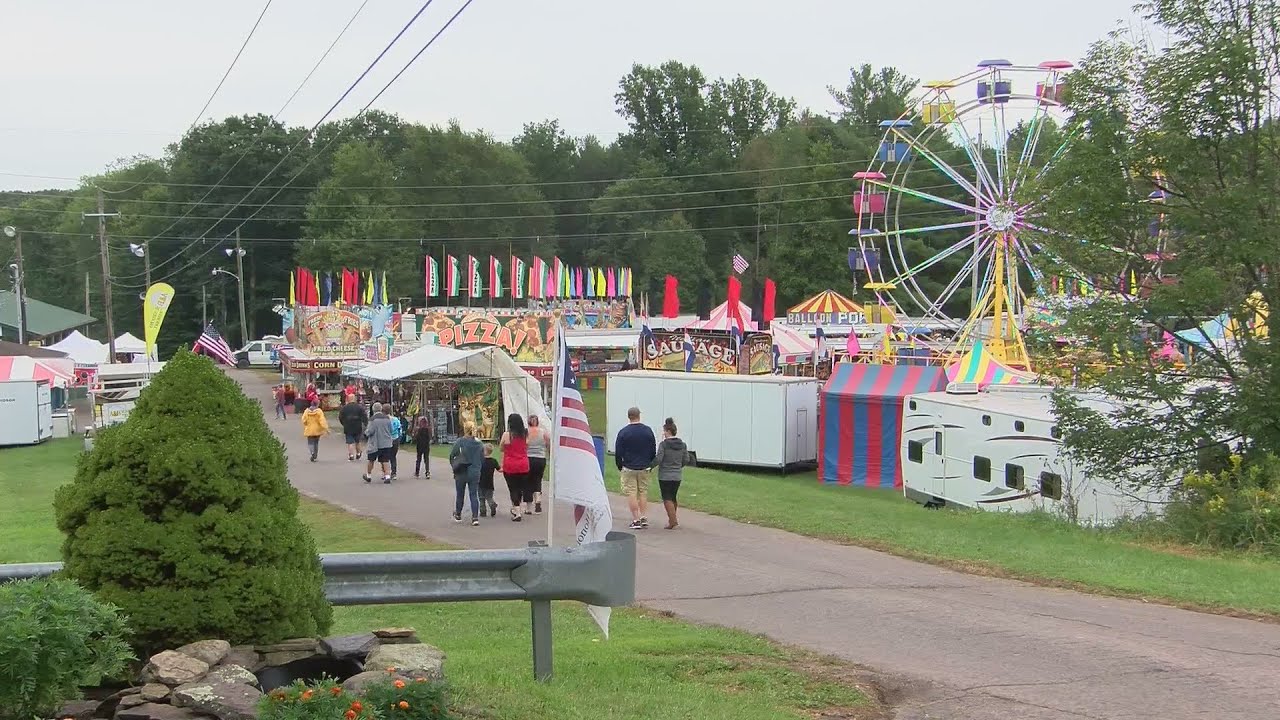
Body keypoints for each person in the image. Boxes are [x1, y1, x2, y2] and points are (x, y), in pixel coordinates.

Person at [614, 406, 657, 529]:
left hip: (629, 466)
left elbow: (618, 452)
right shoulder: (648, 431)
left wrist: (619, 465)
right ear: (639, 415)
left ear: (629, 417)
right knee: (643, 492)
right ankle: (643, 516)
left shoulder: (623, 432)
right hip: (644, 466)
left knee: (631, 492)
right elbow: (653, 449)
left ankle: (636, 519)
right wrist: (650, 463)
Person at [651, 417, 692, 529]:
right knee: (673, 497)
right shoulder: (682, 445)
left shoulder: (663, 445)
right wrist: (679, 466)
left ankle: (673, 521)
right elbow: (686, 459)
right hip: (677, 475)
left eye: (664, 431)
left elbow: (659, 458)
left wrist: (650, 466)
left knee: (667, 498)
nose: (663, 434)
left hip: (665, 475)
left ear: (668, 431)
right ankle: (671, 520)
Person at [448, 426, 484, 526]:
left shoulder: (460, 442)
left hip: (461, 470)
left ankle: (458, 514)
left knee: (460, 494)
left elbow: (452, 455)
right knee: (473, 494)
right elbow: (482, 458)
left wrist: (454, 466)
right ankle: (475, 517)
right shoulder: (479, 443)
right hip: (475, 471)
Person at [500, 413, 532, 522]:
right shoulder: (525, 434)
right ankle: (517, 507)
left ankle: (517, 511)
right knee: (520, 487)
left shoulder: (507, 435)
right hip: (523, 464)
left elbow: (501, 447)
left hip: (510, 464)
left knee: (512, 488)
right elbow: (527, 446)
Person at [362, 402, 395, 484]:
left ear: (373, 410)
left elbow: (370, 431)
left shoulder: (372, 419)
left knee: (371, 460)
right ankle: (387, 476)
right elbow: (391, 429)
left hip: (375, 444)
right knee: (385, 460)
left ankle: (368, 475)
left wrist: (365, 434)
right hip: (386, 443)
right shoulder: (387, 418)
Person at [525, 414, 550, 514]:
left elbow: (523, 444)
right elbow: (548, 443)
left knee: (527, 482)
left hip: (528, 458)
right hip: (540, 459)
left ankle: (528, 508)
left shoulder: (526, 432)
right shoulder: (543, 432)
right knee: (537, 480)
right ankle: (538, 501)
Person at [338, 394, 368, 462]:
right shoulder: (359, 407)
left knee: (350, 442)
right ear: (354, 399)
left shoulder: (344, 408)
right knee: (357, 441)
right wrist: (365, 423)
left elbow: (340, 417)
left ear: (348, 399)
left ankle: (351, 455)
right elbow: (364, 416)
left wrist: (343, 423)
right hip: (357, 425)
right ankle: (358, 453)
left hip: (348, 426)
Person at [478, 443, 500, 518]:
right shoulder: (494, 461)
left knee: (481, 498)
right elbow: (499, 469)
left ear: (484, 451)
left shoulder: (480, 461)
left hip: (480, 482)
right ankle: (492, 504)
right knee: (489, 497)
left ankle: (483, 512)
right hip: (490, 483)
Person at [388, 412, 403, 480]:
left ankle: (386, 473)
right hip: (395, 439)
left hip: (387, 439)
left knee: (384, 457)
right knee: (393, 457)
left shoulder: (384, 420)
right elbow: (400, 429)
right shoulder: (396, 419)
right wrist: (399, 437)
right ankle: (394, 473)